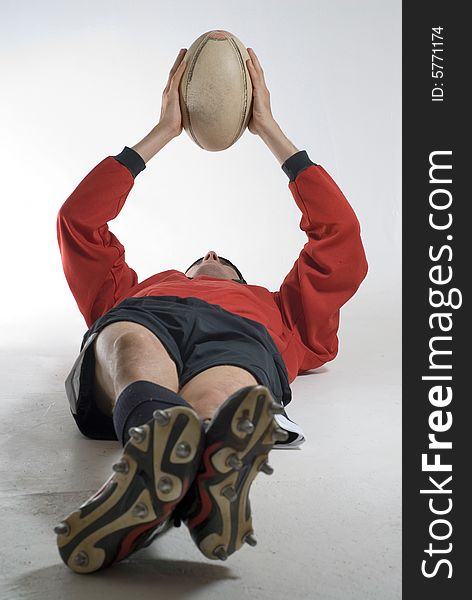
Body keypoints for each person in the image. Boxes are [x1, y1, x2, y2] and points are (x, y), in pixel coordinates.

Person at [54, 47, 368, 574]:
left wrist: (269, 129)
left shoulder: (281, 309)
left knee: (224, 394)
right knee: (129, 339)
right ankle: (190, 477)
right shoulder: (133, 291)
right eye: (204, 256)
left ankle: (180, 468)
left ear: (238, 276)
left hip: (246, 335)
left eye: (221, 258)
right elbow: (79, 221)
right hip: (152, 317)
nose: (212, 253)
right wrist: (161, 133)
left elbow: (339, 238)